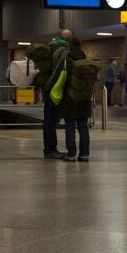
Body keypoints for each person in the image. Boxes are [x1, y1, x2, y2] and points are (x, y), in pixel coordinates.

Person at [60, 38, 92, 162]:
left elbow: (61, 78)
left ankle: (71, 154)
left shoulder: (67, 61)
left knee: (70, 125)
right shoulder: (87, 62)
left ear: (69, 47)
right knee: (83, 126)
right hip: (84, 99)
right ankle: (84, 155)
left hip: (70, 98)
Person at [42, 29, 72, 159]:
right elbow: (59, 72)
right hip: (55, 90)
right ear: (69, 40)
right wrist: (52, 88)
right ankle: (50, 150)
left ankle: (49, 149)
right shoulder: (64, 51)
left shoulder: (51, 47)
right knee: (52, 121)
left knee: (48, 120)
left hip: (47, 88)